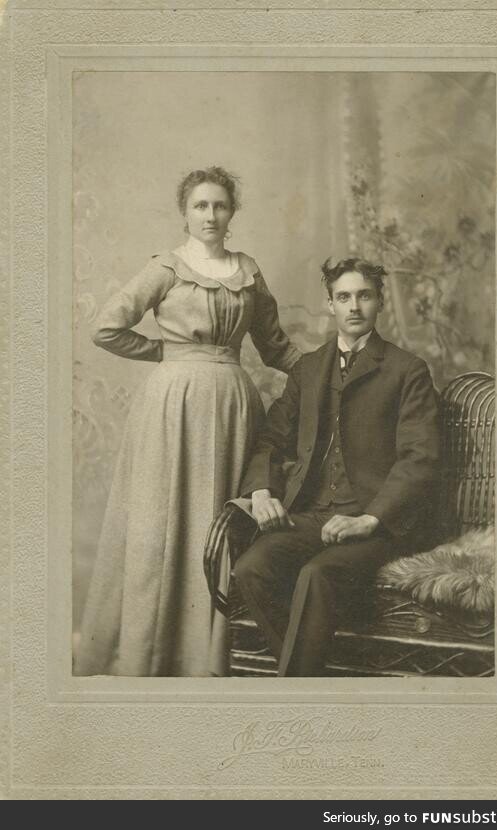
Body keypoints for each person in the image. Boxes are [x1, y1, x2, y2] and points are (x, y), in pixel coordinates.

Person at [75, 166, 300, 677]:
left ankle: (210, 651)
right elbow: (106, 328)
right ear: (185, 212)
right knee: (162, 519)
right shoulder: (166, 267)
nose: (210, 215)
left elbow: (275, 346)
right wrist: (164, 352)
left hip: (234, 407)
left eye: (220, 205)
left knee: (220, 519)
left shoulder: (248, 270)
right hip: (171, 405)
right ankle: (149, 650)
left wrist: (328, 372)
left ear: (232, 213)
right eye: (200, 205)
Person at [233, 257, 440, 676]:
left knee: (318, 574)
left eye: (364, 295)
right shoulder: (308, 370)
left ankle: (298, 691)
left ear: (379, 301)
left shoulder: (407, 371)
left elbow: (420, 459)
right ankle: (308, 680)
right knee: (251, 568)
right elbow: (271, 438)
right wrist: (261, 491)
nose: (354, 306)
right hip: (313, 515)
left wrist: (371, 518)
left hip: (377, 523)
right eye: (343, 297)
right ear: (330, 305)